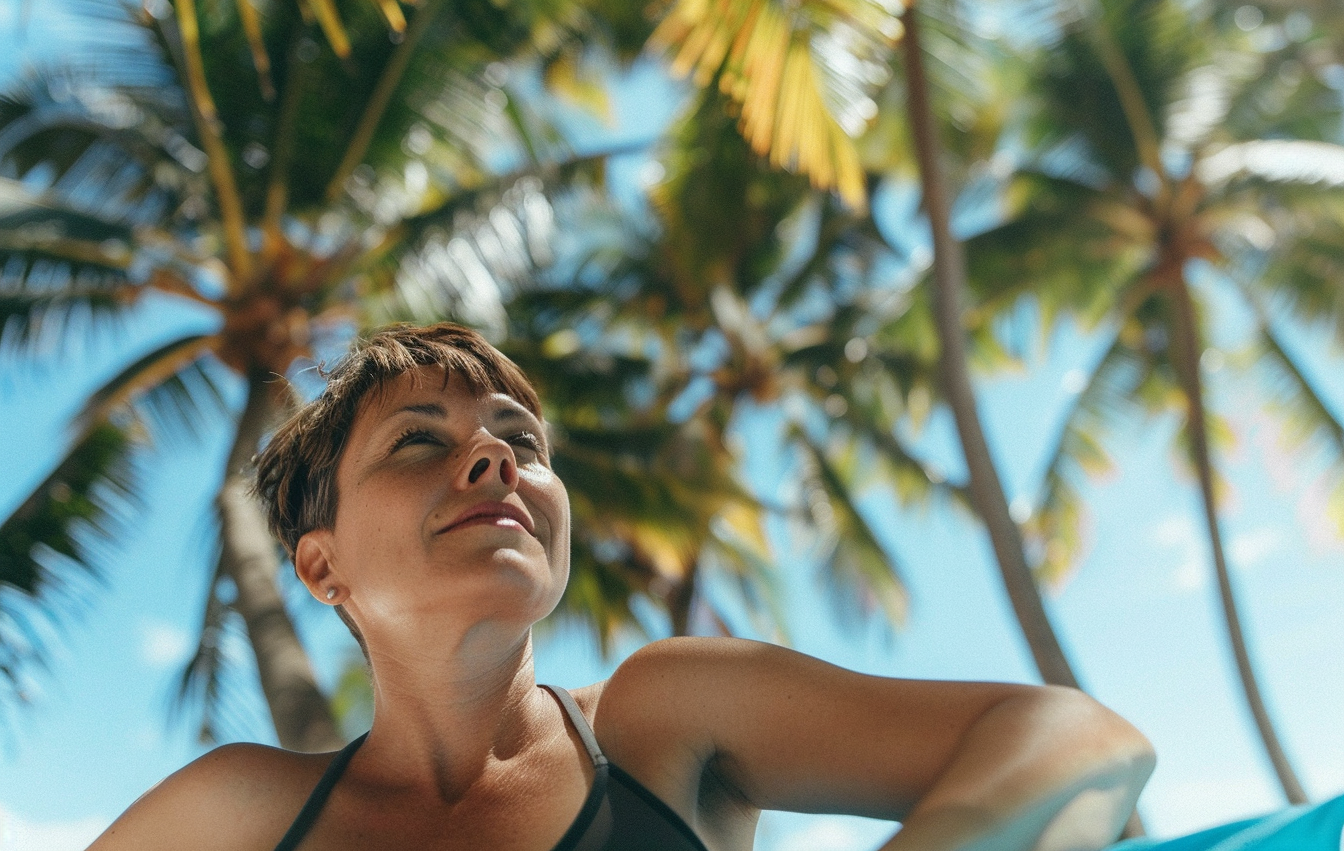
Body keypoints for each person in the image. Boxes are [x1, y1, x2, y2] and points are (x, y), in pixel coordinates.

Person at [88, 322, 1158, 851]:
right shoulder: (241, 808)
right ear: (319, 563)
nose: (497, 460)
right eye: (420, 440)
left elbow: (1083, 737)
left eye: (520, 440)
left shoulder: (660, 721)